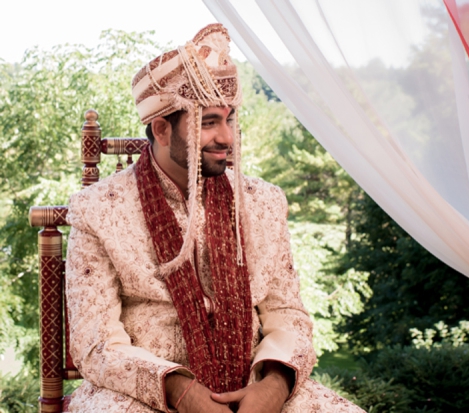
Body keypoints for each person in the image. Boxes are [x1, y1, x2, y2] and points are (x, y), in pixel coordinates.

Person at [65, 23, 365, 412]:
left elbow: (288, 314)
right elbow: (96, 343)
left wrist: (273, 387)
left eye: (230, 119)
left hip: (255, 388)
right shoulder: (97, 210)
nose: (227, 137)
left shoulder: (264, 203)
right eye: (209, 122)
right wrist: (180, 391)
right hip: (142, 395)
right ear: (161, 128)